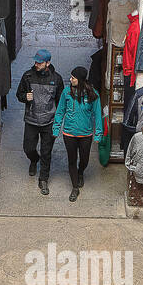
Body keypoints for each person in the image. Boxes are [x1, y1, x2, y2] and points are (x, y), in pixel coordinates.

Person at [52, 66, 104, 202]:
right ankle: (75, 187)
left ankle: (80, 172)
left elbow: (98, 115)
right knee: (71, 160)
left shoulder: (93, 94)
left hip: (85, 135)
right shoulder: (66, 92)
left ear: (80, 80)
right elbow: (60, 111)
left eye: (73, 78)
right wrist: (56, 128)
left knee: (85, 160)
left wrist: (98, 134)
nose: (70, 79)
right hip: (69, 134)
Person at [16, 48, 64, 193]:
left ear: (48, 63)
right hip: (31, 119)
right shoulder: (28, 76)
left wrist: (58, 120)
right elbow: (19, 94)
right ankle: (33, 159)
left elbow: (60, 100)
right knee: (28, 148)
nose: (36, 64)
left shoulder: (56, 79)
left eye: (40, 62)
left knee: (46, 151)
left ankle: (43, 179)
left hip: (48, 121)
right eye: (35, 62)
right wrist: (25, 97)